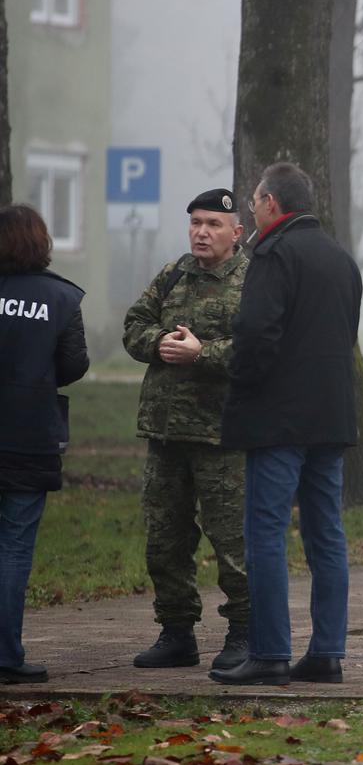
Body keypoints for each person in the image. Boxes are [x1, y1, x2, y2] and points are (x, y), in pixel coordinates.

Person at [210, 163, 363, 686]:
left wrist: (242, 383)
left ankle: (270, 651)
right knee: (326, 536)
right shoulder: (342, 259)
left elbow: (255, 334)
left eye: (254, 200)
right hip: (332, 418)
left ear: (272, 203)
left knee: (265, 535)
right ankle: (327, 652)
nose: (250, 208)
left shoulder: (272, 255)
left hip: (278, 420)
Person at [122, 189, 251, 672]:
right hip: (166, 431)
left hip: (223, 435)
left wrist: (203, 354)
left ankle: (243, 633)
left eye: (214, 224)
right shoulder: (173, 273)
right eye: (196, 222)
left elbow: (260, 349)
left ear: (235, 232)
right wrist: (159, 344)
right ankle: (176, 633)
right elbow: (134, 323)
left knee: (232, 542)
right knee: (165, 539)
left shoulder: (253, 280)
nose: (201, 232)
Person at [0, 205, 89, 684]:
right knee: (14, 548)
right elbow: (74, 364)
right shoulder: (61, 297)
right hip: (30, 436)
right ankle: (7, 657)